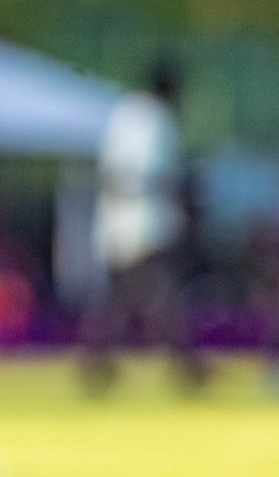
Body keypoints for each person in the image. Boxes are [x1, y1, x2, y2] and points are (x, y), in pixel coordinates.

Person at [82, 59, 205, 392]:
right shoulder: (158, 120)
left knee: (121, 298)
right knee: (158, 295)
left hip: (115, 220)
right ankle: (186, 365)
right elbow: (157, 174)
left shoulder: (124, 113)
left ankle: (97, 365)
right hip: (145, 222)